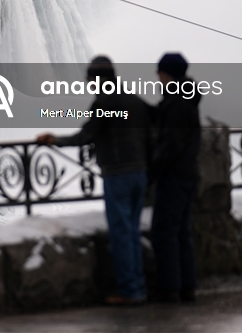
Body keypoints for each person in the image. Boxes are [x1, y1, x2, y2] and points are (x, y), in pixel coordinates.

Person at [37, 56, 152, 306]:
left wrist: (54, 140)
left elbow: (86, 136)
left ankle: (130, 291)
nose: (89, 85)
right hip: (140, 174)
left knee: (122, 233)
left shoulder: (105, 103)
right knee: (132, 232)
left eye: (90, 80)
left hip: (118, 174)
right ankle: (139, 285)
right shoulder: (135, 101)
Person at [149, 52, 202, 304]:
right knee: (181, 232)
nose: (157, 78)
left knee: (165, 232)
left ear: (167, 73)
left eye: (159, 73)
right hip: (187, 175)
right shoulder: (185, 100)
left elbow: (171, 145)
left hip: (174, 177)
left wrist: (152, 172)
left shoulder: (177, 104)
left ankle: (170, 288)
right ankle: (186, 286)